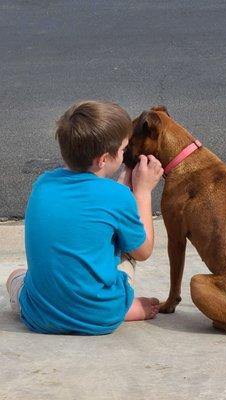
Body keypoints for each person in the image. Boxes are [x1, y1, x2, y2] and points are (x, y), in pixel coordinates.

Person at [6, 100, 164, 335]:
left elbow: (87, 204)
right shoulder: (118, 197)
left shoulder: (43, 184)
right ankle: (124, 308)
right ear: (103, 159)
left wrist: (120, 190)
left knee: (15, 276)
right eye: (122, 150)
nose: (124, 155)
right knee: (124, 250)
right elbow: (143, 251)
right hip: (101, 317)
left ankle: (64, 307)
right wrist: (142, 193)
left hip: (39, 317)